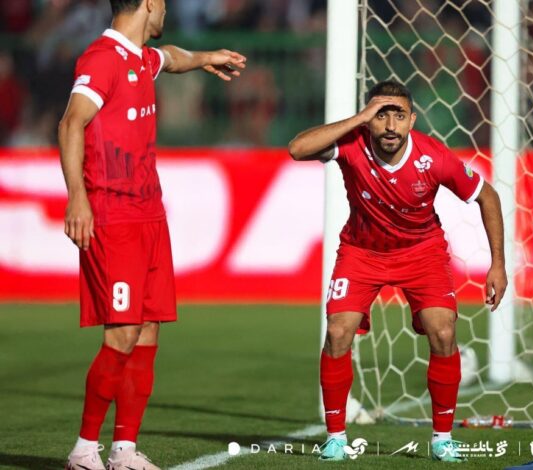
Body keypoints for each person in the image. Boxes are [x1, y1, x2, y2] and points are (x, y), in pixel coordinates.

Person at [58, 1, 246, 469]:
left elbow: (173, 58)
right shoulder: (102, 59)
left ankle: (124, 450)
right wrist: (77, 197)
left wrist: (205, 59)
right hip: (113, 216)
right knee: (122, 334)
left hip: (149, 216)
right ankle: (83, 450)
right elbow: (71, 123)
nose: (166, 12)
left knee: (146, 332)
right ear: (149, 3)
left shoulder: (141, 58)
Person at [288, 80, 508, 462]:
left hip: (422, 252)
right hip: (362, 251)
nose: (390, 125)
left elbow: (487, 195)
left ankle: (442, 439)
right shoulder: (352, 144)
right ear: (368, 118)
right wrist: (358, 119)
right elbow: (296, 148)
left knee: (443, 332)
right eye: (381, 115)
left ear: (412, 120)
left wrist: (498, 265)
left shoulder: (433, 157)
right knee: (338, 332)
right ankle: (336, 438)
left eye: (399, 116)